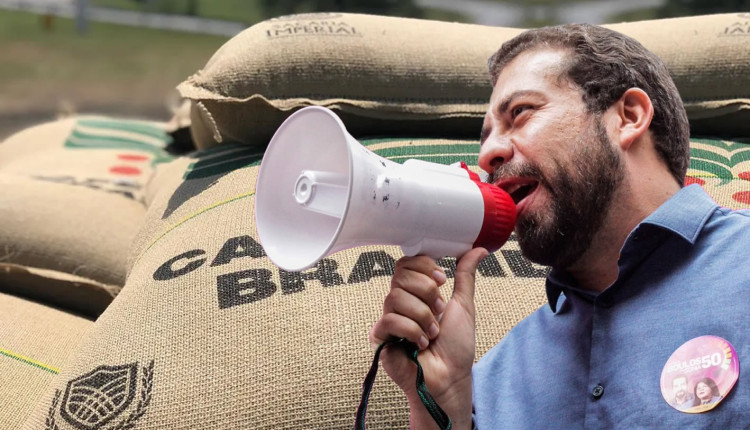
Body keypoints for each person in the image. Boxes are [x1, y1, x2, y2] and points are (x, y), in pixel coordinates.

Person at [368, 23, 750, 428]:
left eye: (520, 113)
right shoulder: (493, 377)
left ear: (628, 117)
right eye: (486, 137)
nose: (488, 154)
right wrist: (442, 405)